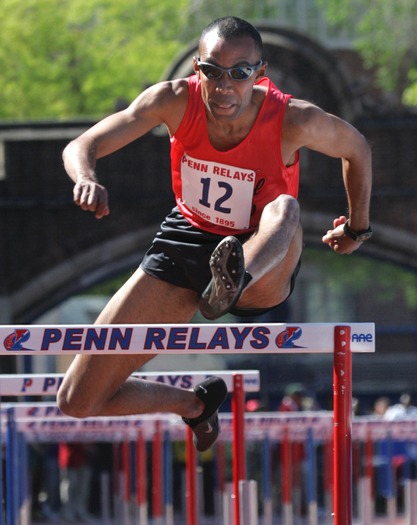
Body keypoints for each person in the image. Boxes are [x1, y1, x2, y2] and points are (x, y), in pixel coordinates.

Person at [57, 16, 372, 452]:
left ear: (260, 74)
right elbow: (81, 145)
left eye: (240, 73)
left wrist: (358, 228)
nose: (225, 86)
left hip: (264, 255)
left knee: (285, 208)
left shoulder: (293, 118)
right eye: (213, 71)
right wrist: (86, 176)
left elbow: (357, 148)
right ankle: (194, 405)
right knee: (76, 400)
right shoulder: (173, 101)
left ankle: (234, 277)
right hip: (188, 238)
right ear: (197, 70)